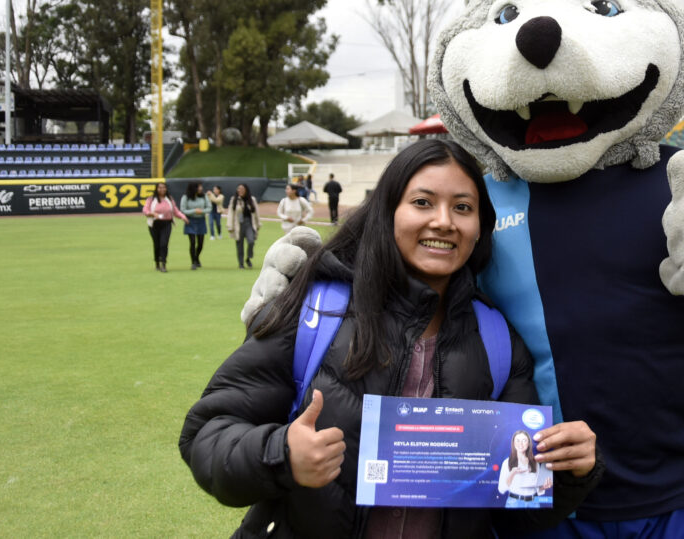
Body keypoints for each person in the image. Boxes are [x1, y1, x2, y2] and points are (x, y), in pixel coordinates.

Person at [179, 139, 603, 538]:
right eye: (422, 202)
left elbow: (515, 509)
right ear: (388, 212)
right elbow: (206, 435)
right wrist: (281, 454)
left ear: (479, 228)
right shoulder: (316, 311)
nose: (443, 221)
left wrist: (570, 471)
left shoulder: (497, 341)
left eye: (462, 207)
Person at [499, 430, 552, 509]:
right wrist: (512, 473)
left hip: (534, 502)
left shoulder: (535, 462)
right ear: (513, 443)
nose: (520, 444)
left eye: (524, 440)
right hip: (515, 503)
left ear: (528, 444)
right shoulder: (507, 462)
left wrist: (543, 487)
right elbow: (502, 489)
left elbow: (537, 488)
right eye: (518, 440)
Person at [142, 182, 188, 273]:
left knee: (164, 243)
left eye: (164, 187)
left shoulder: (169, 199)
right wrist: (151, 213)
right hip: (155, 224)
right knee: (157, 244)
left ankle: (163, 263)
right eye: (160, 188)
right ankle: (157, 263)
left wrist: (183, 217)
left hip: (166, 224)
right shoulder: (151, 199)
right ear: (156, 189)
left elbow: (175, 211)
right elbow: (145, 210)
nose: (162, 189)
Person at [227, 183, 260, 269]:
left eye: (242, 189)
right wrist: (230, 226)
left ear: (246, 190)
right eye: (239, 189)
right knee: (239, 244)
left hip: (249, 223)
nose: (240, 191)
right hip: (238, 224)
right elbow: (231, 213)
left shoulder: (252, 199)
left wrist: (258, 224)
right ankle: (241, 263)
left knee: (251, 241)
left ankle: (248, 258)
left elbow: (256, 213)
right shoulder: (234, 200)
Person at [181, 181, 210, 270]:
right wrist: (194, 211)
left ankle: (197, 257)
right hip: (190, 221)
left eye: (201, 186)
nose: (201, 188)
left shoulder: (204, 196)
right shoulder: (186, 197)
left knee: (200, 243)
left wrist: (201, 211)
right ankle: (193, 262)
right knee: (192, 242)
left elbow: (209, 208)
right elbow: (183, 209)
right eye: (199, 187)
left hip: (201, 220)